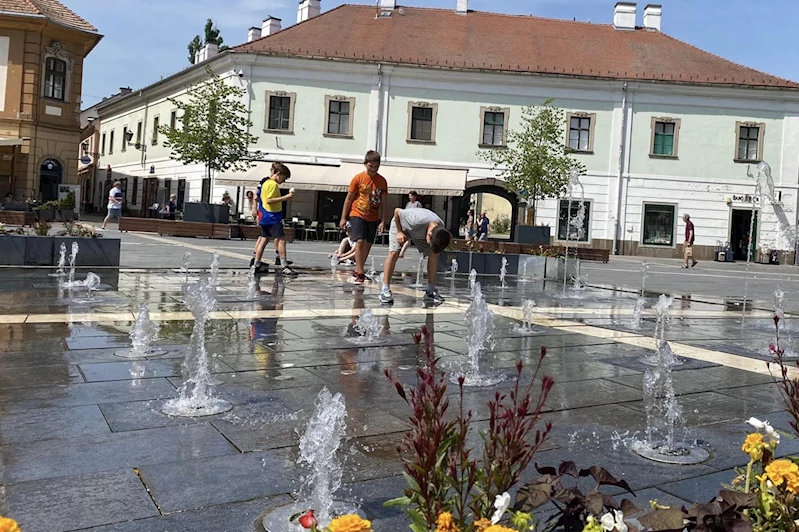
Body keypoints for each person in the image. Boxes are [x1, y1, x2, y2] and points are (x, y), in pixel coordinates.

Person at [380, 207, 451, 304]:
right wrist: (399, 232)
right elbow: (396, 211)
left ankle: (430, 290)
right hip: (401, 225)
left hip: (419, 232)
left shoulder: (440, 228)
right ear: (429, 235)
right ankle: (385, 289)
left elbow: (435, 247)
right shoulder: (415, 220)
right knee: (394, 253)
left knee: (434, 255)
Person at [340, 150, 388, 284]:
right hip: (357, 213)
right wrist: (343, 217)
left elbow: (384, 202)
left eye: (376, 167)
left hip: (373, 216)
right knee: (360, 241)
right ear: (365, 164)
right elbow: (348, 199)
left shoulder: (382, 181)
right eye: (370, 166)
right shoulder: (358, 178)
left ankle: (358, 268)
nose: (373, 169)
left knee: (368, 244)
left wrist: (383, 220)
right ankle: (360, 272)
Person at [253, 162, 297, 276]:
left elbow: (260, 198)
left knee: (264, 239)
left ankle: (256, 264)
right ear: (278, 174)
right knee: (282, 240)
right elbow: (269, 200)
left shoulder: (265, 183)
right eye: (284, 177)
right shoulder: (273, 184)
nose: (284, 181)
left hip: (264, 216)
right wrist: (286, 197)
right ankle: (284, 265)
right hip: (272, 217)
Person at [398, 191, 422, 258]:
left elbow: (419, 213)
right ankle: (401, 251)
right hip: (406, 222)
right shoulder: (408, 204)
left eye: (411, 196)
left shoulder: (417, 204)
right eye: (409, 196)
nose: (409, 197)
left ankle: (402, 252)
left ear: (415, 197)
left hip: (413, 223)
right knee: (406, 237)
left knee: (409, 238)